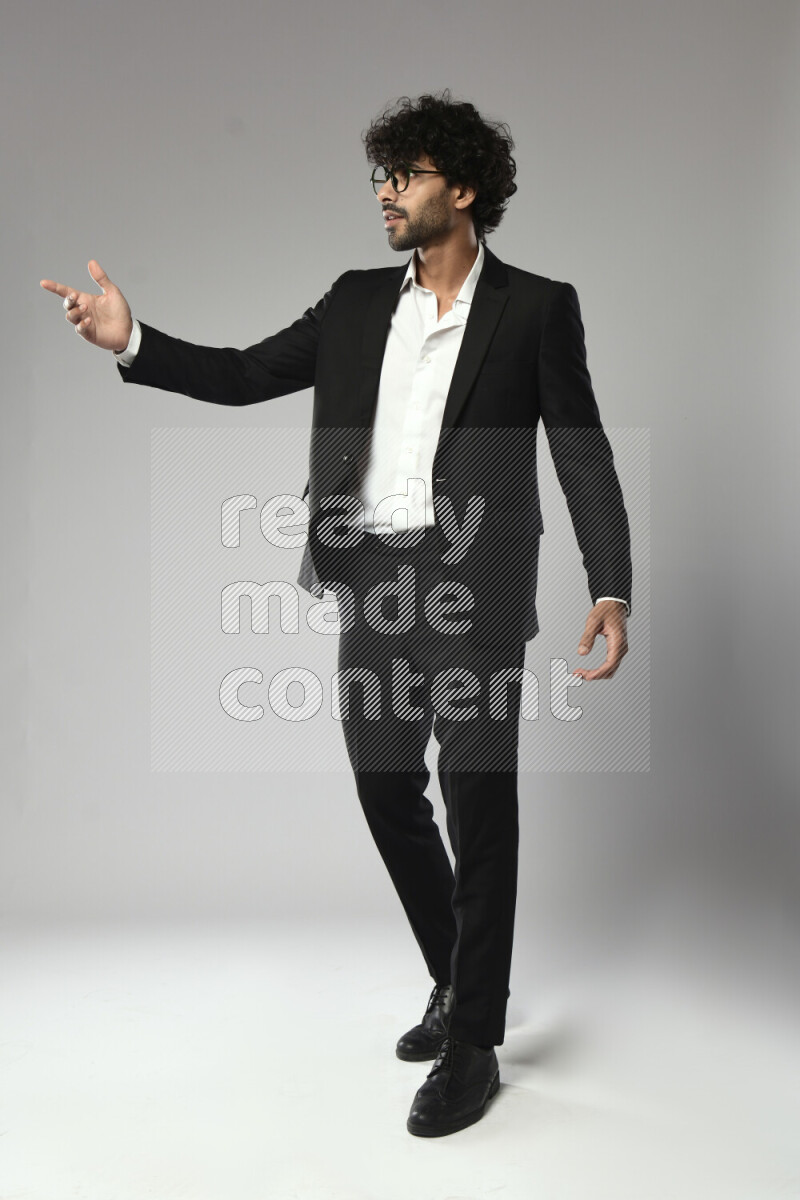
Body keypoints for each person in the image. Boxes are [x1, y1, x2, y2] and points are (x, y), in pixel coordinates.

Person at [40, 89, 631, 1138]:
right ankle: (456, 981)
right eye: (378, 178)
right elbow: (242, 374)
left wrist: (609, 585)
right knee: (384, 788)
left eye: (400, 176)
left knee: (478, 801)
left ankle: (474, 1039)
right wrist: (136, 341)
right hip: (374, 585)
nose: (383, 196)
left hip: (475, 589)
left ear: (460, 186)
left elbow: (578, 449)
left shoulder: (537, 307)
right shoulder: (357, 303)